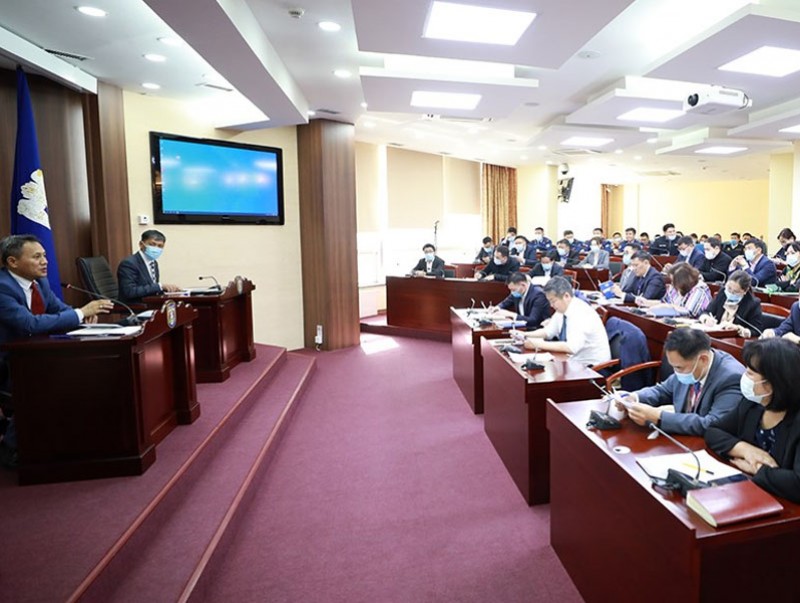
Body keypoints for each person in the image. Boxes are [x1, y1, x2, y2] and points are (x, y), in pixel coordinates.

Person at [0, 234, 114, 465]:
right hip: (6, 362)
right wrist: (80, 313)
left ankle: (74, 441)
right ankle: (12, 449)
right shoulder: (3, 288)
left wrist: (82, 317)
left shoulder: (39, 283)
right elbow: (29, 324)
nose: (45, 261)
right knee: (50, 379)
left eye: (44, 255)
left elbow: (60, 310)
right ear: (12, 262)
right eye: (37, 257)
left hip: (32, 356)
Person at [705, 338, 800, 503]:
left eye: (750, 373)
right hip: (750, 494)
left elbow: (797, 484)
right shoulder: (753, 403)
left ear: (772, 383)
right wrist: (746, 450)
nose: (744, 377)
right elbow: (713, 431)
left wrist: (758, 469)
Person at [613, 329, 744, 435]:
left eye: (679, 367)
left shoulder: (731, 378)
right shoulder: (690, 366)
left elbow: (713, 424)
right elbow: (663, 390)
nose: (676, 372)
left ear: (703, 359)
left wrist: (659, 417)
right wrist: (634, 397)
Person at [521, 276, 611, 367]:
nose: (551, 305)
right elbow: (548, 332)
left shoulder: (580, 313)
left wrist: (539, 344)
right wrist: (524, 335)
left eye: (553, 301)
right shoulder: (562, 310)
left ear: (566, 296)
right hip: (573, 361)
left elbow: (571, 347)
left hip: (593, 368)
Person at [118, 230, 181, 303]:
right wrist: (160, 286)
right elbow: (130, 291)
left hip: (150, 303)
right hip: (135, 306)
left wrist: (168, 290)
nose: (156, 248)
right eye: (152, 244)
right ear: (141, 244)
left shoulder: (154, 263)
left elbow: (151, 289)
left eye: (160, 246)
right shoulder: (129, 263)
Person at [699, 270, 763, 338]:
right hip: (716, 335)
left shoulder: (753, 304)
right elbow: (706, 311)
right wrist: (706, 319)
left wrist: (738, 328)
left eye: (735, 292)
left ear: (745, 291)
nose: (730, 293)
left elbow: (756, 331)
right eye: (729, 289)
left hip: (734, 339)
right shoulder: (722, 293)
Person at [638, 263, 710, 317]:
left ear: (683, 280)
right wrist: (646, 302)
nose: (672, 283)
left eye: (674, 281)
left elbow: (689, 312)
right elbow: (664, 302)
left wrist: (669, 306)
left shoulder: (699, 288)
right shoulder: (674, 287)